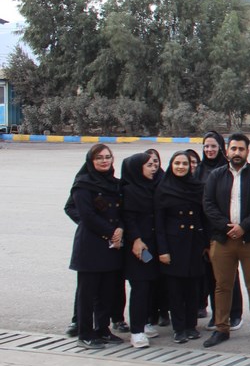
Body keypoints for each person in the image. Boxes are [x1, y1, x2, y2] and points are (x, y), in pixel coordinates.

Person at [201, 133, 250, 348]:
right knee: (222, 286)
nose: (237, 153)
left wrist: (244, 227)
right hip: (222, 240)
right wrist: (226, 227)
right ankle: (221, 328)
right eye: (233, 149)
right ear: (227, 151)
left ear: (248, 151)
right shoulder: (216, 176)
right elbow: (208, 204)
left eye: (241, 149)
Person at [68, 144, 126, 349]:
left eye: (107, 157)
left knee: (106, 291)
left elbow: (122, 212)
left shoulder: (115, 184)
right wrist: (111, 232)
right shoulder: (83, 185)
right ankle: (85, 333)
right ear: (91, 161)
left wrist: (120, 229)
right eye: (99, 158)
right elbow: (87, 215)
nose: (104, 161)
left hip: (112, 245)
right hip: (91, 245)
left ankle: (103, 329)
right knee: (88, 293)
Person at [155, 150, 208, 344]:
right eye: (177, 163)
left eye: (185, 164)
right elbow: (159, 223)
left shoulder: (198, 187)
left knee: (193, 288)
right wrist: (162, 250)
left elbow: (204, 217)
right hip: (173, 245)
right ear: (171, 165)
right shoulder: (163, 189)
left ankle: (191, 326)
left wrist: (206, 243)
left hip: (194, 243)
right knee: (175, 290)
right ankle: (178, 328)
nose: (181, 167)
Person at [198, 130, 242, 329]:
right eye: (206, 146)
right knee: (212, 276)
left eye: (213, 146)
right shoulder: (199, 170)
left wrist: (226, 226)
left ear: (221, 148)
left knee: (230, 274)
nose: (209, 149)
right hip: (207, 230)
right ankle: (218, 313)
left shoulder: (228, 169)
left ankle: (235, 313)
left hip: (227, 229)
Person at [120, 153, 163, 348]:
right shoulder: (129, 191)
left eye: (154, 165)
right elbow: (128, 218)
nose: (153, 168)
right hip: (138, 247)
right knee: (140, 286)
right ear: (138, 169)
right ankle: (136, 331)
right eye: (148, 165)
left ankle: (145, 322)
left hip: (153, 244)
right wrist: (136, 239)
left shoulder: (152, 187)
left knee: (151, 285)